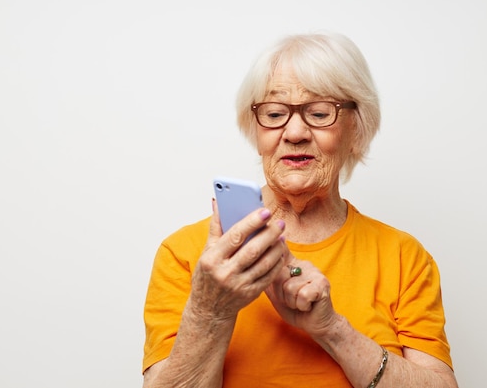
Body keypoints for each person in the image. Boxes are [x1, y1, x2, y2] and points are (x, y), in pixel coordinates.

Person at [142, 32, 458, 388]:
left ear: (356, 129)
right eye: (274, 113)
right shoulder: (186, 255)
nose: (294, 132)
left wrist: (332, 329)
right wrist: (210, 309)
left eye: (320, 113)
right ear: (256, 131)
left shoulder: (404, 258)